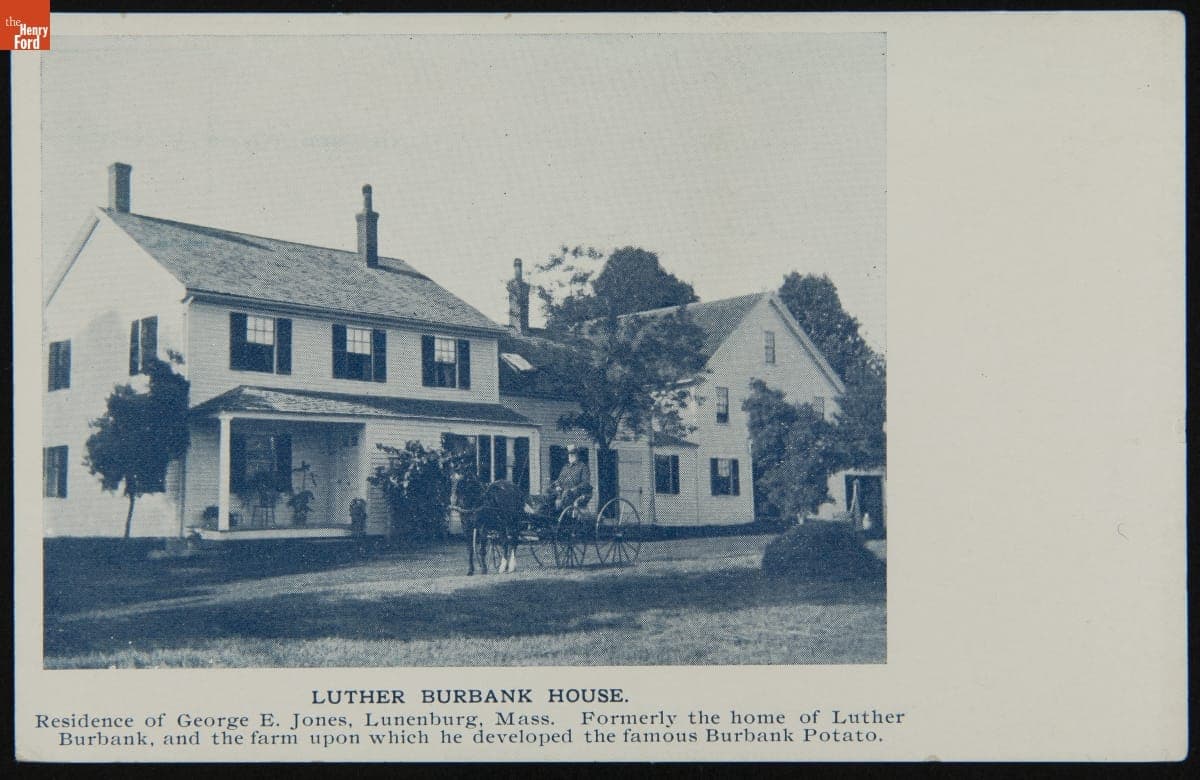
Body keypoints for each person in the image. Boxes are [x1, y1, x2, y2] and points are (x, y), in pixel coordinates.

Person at [551, 444, 592, 512]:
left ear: (577, 455)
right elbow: (559, 480)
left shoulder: (583, 467)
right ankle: (549, 514)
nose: (571, 456)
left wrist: (574, 489)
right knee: (549, 493)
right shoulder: (565, 467)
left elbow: (585, 482)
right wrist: (557, 485)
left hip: (576, 492)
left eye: (573, 454)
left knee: (566, 494)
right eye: (569, 454)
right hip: (563, 491)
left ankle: (565, 516)